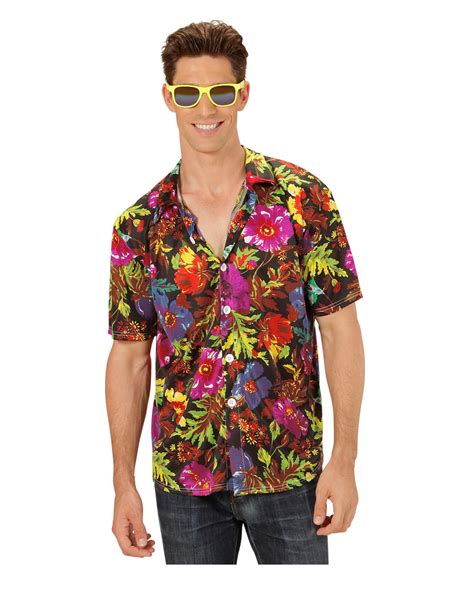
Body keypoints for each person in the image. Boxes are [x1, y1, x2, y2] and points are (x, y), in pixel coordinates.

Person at [105, 19, 365, 565]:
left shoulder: (302, 199)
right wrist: (122, 483)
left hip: (288, 469)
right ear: (168, 98)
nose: (205, 108)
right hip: (186, 477)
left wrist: (344, 459)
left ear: (242, 94)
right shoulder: (139, 225)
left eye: (220, 91)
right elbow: (130, 357)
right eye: (188, 93)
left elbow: (340, 330)